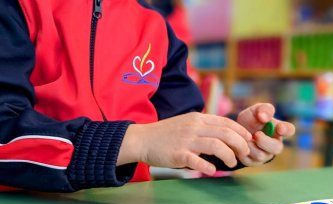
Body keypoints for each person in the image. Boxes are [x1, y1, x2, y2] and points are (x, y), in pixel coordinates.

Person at [0, 0, 295, 192]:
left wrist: (236, 138)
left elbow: (180, 129)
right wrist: (136, 140)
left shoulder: (155, 26)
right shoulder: (16, 7)